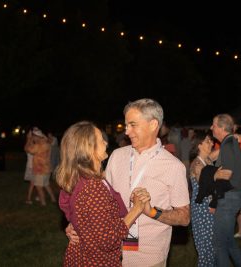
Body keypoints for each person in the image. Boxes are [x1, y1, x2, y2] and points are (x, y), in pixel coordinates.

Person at [66, 98, 190, 267]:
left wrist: (152, 212)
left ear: (153, 125)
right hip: (109, 254)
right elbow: (96, 197)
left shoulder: (173, 166)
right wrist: (76, 222)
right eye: (126, 125)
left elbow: (184, 217)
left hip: (147, 256)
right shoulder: (117, 155)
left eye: (133, 125)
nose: (127, 131)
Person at [57, 121, 149, 266]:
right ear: (89, 149)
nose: (106, 142)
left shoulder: (78, 177)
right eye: (101, 140)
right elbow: (108, 240)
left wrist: (74, 223)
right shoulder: (93, 188)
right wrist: (136, 209)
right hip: (96, 260)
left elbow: (73, 207)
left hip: (81, 255)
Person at [189, 130, 231, 267]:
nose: (211, 143)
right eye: (208, 141)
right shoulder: (197, 165)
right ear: (199, 145)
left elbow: (220, 152)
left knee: (215, 247)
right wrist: (219, 176)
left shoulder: (207, 159)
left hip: (211, 208)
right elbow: (206, 185)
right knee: (206, 250)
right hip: (203, 211)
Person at [211, 114, 241, 267]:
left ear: (221, 127)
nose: (211, 128)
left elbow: (227, 173)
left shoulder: (228, 145)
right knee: (229, 242)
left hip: (228, 199)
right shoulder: (229, 143)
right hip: (232, 197)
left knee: (219, 245)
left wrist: (208, 177)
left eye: (213, 125)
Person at [24, 128, 56, 206]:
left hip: (40, 169)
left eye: (33, 137)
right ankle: (53, 198)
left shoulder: (38, 146)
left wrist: (28, 139)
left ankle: (43, 202)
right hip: (47, 168)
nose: (32, 138)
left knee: (38, 187)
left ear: (36, 137)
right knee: (46, 184)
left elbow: (27, 149)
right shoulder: (46, 143)